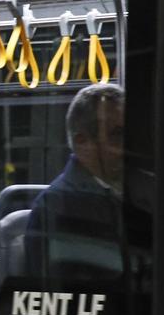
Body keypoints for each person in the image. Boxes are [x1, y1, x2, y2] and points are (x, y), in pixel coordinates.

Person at [23, 83, 126, 281]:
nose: (128, 148)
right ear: (82, 142)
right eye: (117, 136)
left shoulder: (130, 193)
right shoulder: (58, 207)